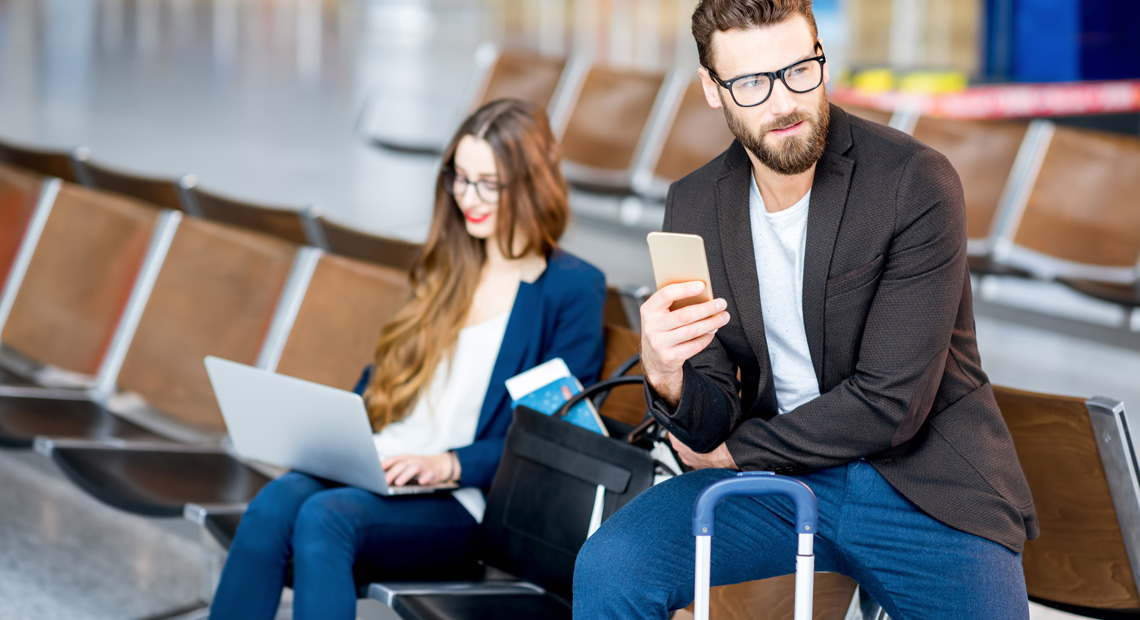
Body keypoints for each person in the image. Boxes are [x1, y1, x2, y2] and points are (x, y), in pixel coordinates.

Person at [573, 2, 1037, 618]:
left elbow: (891, 403)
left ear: (823, 58)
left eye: (798, 70)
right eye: (751, 83)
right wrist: (666, 374)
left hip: (919, 486)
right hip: (775, 486)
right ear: (712, 89)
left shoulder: (913, 182)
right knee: (611, 567)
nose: (784, 101)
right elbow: (709, 421)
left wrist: (738, 454)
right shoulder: (694, 204)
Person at [209, 99, 606, 620]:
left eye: (488, 183)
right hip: (386, 461)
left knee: (326, 517)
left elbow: (556, 435)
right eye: (460, 178)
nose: (468, 197)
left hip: (464, 498)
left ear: (532, 184)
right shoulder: (448, 265)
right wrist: (337, 433)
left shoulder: (571, 288)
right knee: (271, 506)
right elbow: (384, 376)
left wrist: (448, 463)